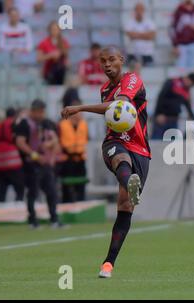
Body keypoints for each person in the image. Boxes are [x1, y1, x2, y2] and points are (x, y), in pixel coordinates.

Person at [61, 46, 151, 278]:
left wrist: (80, 107)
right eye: (102, 61)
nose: (107, 65)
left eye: (111, 59)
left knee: (124, 205)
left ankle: (109, 263)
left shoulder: (132, 80)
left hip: (140, 147)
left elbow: (117, 107)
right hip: (115, 141)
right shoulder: (104, 89)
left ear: (122, 59)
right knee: (120, 159)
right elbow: (110, 112)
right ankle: (130, 182)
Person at [14, 99, 62, 229]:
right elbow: (20, 142)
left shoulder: (46, 123)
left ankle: (54, 219)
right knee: (33, 192)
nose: (41, 114)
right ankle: (33, 220)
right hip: (31, 163)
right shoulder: (24, 124)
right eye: (39, 112)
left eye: (42, 111)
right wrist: (34, 155)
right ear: (33, 111)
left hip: (45, 163)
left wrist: (51, 150)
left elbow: (55, 140)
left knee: (51, 191)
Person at [151, 73, 194, 139]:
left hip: (173, 121)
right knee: (155, 142)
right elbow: (161, 97)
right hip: (162, 119)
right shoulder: (172, 82)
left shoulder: (185, 92)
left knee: (171, 146)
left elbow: (190, 111)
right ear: (187, 79)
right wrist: (158, 114)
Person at [58, 101, 88, 203]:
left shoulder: (84, 125)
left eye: (80, 111)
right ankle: (66, 206)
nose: (79, 114)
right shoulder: (62, 125)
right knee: (67, 188)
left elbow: (86, 140)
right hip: (67, 161)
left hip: (80, 160)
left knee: (81, 186)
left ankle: (82, 206)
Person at [0, 107, 24, 202]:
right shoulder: (15, 124)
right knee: (19, 187)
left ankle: (0, 209)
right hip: (13, 162)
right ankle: (18, 205)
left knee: (2, 188)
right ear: (14, 115)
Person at [170, 0, 194, 70]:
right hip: (181, 44)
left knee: (193, 68)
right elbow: (172, 29)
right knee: (181, 67)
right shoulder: (179, 12)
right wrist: (175, 45)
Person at [124, 2, 156, 67]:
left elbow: (151, 36)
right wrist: (145, 35)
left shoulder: (150, 22)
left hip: (147, 53)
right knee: (132, 74)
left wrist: (136, 34)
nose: (139, 11)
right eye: (137, 9)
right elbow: (130, 35)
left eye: (141, 9)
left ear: (144, 11)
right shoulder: (129, 22)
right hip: (133, 53)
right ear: (135, 11)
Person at [36, 21, 69, 85]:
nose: (54, 31)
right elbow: (38, 58)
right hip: (49, 70)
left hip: (61, 70)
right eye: (53, 29)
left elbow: (66, 55)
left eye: (56, 29)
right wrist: (50, 55)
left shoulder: (63, 42)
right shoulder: (44, 43)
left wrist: (60, 53)